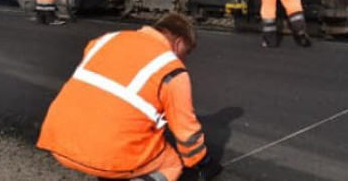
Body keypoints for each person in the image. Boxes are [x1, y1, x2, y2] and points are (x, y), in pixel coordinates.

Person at [37, 13, 222, 181]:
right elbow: (186, 132)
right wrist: (203, 162)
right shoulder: (172, 70)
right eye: (186, 53)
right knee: (171, 163)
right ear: (179, 43)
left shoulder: (104, 40)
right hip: (106, 154)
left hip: (59, 140)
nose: (184, 59)